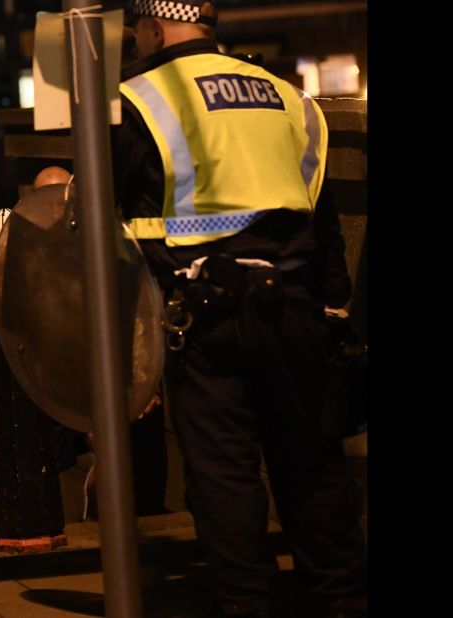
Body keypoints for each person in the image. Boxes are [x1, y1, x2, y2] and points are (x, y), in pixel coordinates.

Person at [113, 2, 367, 617]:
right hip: (297, 308)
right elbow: (321, 213)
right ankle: (342, 599)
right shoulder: (290, 96)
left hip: (203, 316)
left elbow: (114, 225)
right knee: (312, 465)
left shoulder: (141, 96)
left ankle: (247, 604)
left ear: (152, 27)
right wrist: (332, 311)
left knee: (223, 475)